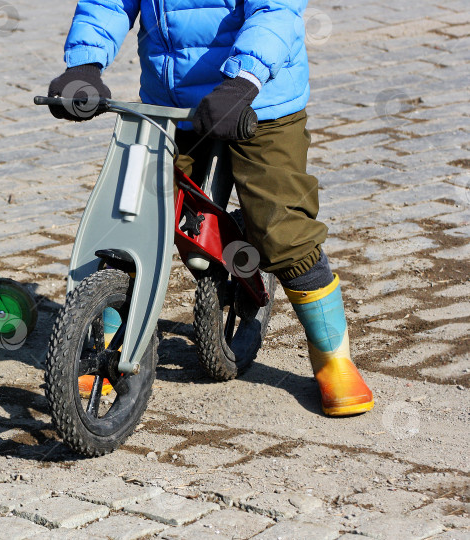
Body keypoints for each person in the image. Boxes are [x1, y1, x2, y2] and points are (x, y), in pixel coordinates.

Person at [47, 0, 374, 416]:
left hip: (259, 101)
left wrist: (244, 80)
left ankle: (333, 358)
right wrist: (86, 64)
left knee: (281, 228)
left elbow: (275, 11)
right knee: (133, 216)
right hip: (174, 105)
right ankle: (105, 345)